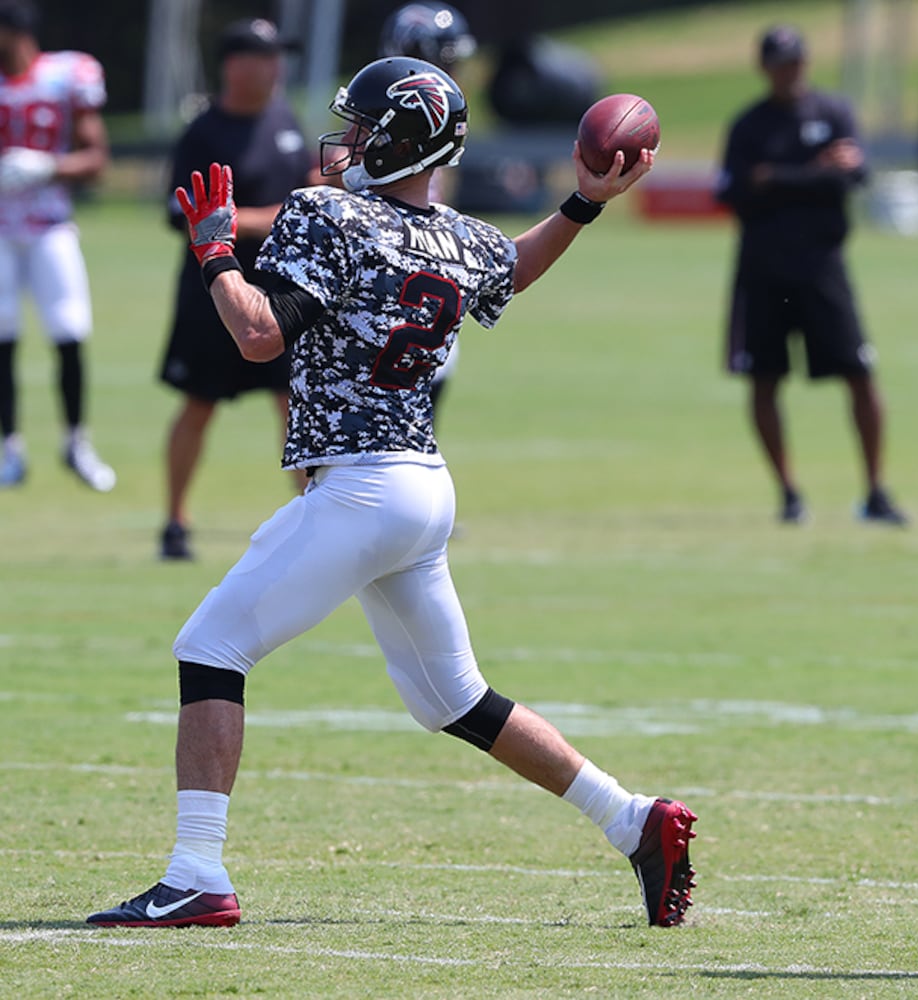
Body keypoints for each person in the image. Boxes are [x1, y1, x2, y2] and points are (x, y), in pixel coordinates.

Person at [86, 55, 696, 930]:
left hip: (361, 489)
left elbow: (259, 338)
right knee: (454, 697)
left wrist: (217, 254)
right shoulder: (460, 235)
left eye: (366, 128)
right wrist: (584, 203)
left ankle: (195, 875)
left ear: (399, 139)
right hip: (420, 485)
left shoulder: (324, 213)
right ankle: (632, 820)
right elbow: (511, 268)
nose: (351, 141)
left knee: (211, 646)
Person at [714, 25, 904, 526]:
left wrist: (776, 177)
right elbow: (733, 192)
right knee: (764, 378)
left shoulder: (833, 112)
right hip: (763, 270)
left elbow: (853, 175)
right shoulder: (749, 125)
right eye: (780, 62)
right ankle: (789, 492)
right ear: (765, 68)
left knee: (860, 373)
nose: (790, 71)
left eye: (796, 60)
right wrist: (813, 173)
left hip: (824, 267)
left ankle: (876, 491)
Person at [158, 18, 317, 560]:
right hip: (215, 290)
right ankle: (175, 522)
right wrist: (263, 220)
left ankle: (316, 519)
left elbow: (305, 189)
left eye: (277, 57)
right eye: (262, 57)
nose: (274, 68)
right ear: (233, 65)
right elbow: (186, 216)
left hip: (281, 289)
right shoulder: (204, 132)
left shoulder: (285, 118)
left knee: (294, 403)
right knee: (198, 403)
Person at [0, 0, 114, 491]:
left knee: (69, 330)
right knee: (2, 337)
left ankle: (76, 442)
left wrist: (46, 167)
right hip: (1, 229)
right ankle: (10, 448)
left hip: (50, 224)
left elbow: (96, 158)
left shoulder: (67, 74)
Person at [378, 1, 476, 430]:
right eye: (445, 57)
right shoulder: (383, 104)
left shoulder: (444, 113)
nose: (451, 70)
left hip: (427, 264)